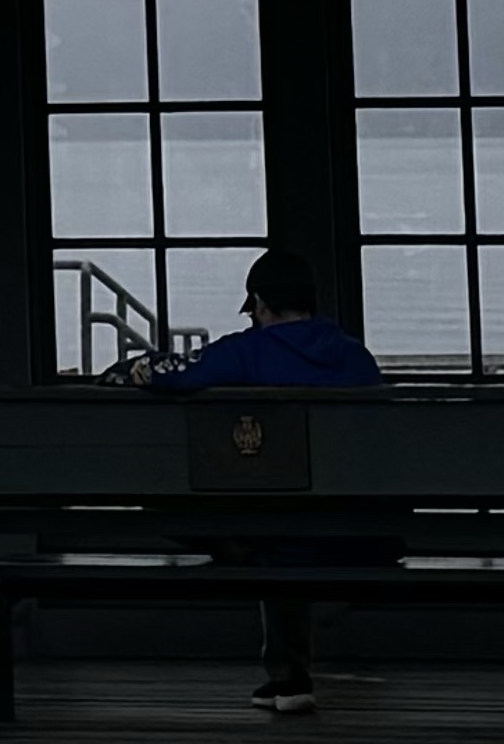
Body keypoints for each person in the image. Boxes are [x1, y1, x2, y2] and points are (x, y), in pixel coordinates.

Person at [148, 251, 383, 715]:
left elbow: (172, 375)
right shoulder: (355, 356)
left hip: (278, 530)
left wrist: (122, 372)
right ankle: (287, 676)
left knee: (259, 528)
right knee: (285, 523)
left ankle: (288, 673)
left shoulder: (247, 351)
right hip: (359, 531)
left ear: (260, 303)